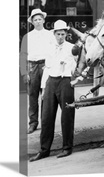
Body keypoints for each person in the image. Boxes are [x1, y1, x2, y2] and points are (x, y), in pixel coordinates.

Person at [30, 20, 77, 161]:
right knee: (46, 117)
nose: (60, 37)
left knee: (67, 116)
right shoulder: (49, 48)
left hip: (65, 82)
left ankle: (67, 148)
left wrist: (68, 63)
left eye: (63, 34)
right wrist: (44, 88)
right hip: (51, 81)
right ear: (54, 34)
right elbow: (47, 68)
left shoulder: (72, 48)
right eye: (58, 34)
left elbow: (76, 67)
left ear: (66, 34)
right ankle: (44, 150)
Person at [20, 8, 55, 134]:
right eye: (35, 20)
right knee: (33, 96)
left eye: (40, 19)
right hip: (32, 67)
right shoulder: (27, 36)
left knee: (46, 96)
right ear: (32, 22)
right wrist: (24, 73)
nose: (38, 21)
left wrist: (51, 67)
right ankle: (33, 123)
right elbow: (23, 54)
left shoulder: (50, 35)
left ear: (44, 20)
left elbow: (53, 51)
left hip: (45, 65)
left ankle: (45, 122)